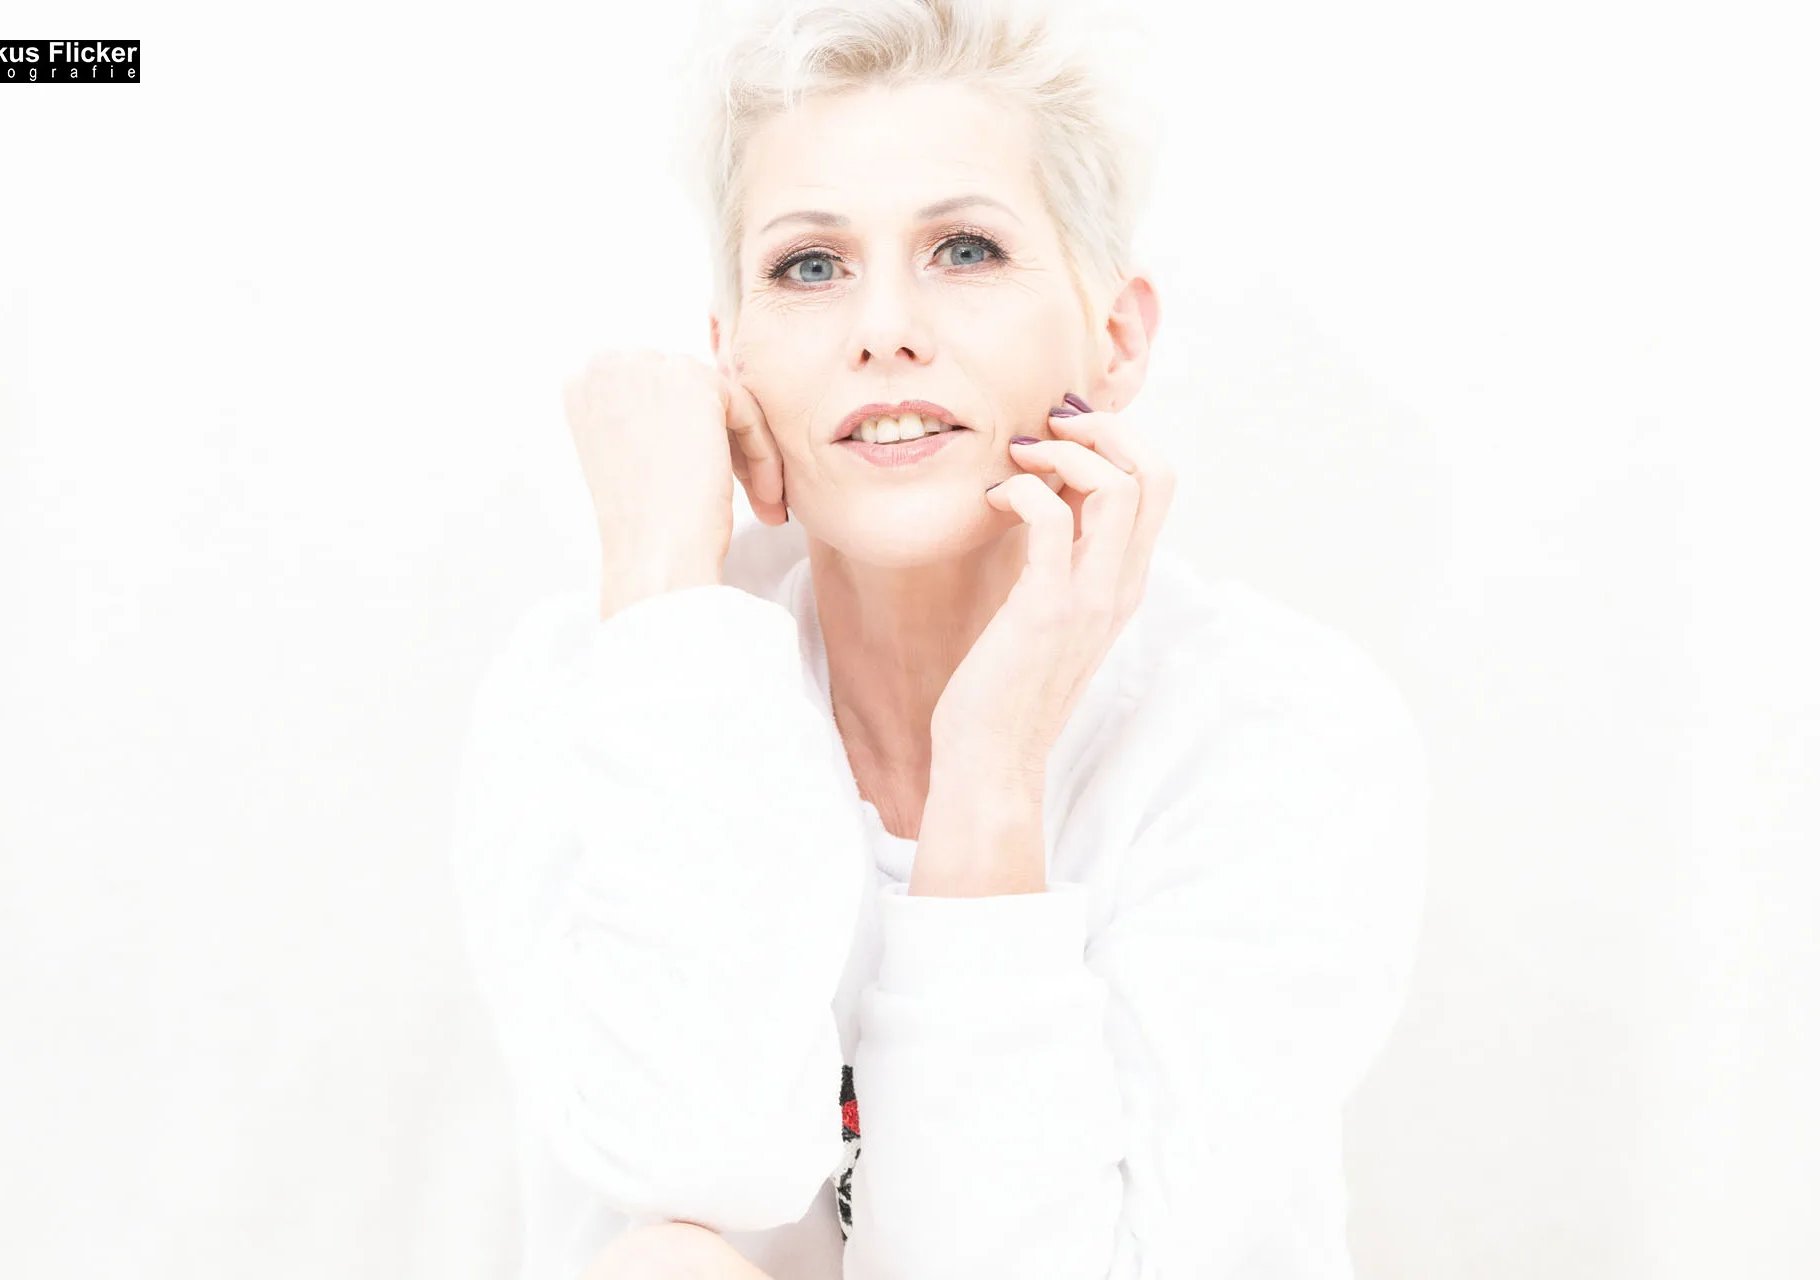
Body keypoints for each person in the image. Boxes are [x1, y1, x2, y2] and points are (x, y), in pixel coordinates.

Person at [447, 1, 1431, 1276]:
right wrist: (658, 587)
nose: (883, 329)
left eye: (965, 249)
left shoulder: (1276, 730)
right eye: (810, 266)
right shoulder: (589, 685)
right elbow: (699, 1156)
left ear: (1117, 337)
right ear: (729, 356)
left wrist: (991, 768)